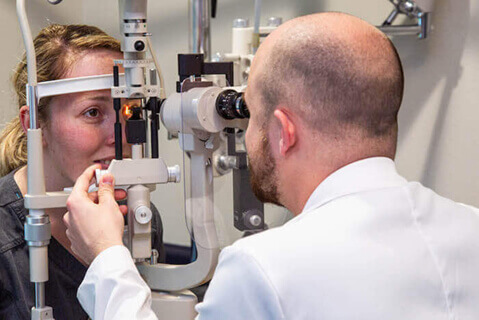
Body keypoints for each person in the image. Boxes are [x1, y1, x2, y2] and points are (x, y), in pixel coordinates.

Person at [65, 12, 479, 320]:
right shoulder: (469, 229)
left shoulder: (265, 268)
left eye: (252, 116)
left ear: (284, 131)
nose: (245, 135)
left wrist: (105, 256)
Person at [0, 24, 165, 320]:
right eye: (93, 113)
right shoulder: (4, 236)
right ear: (34, 123)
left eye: (129, 112)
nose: (121, 136)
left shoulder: (140, 218)